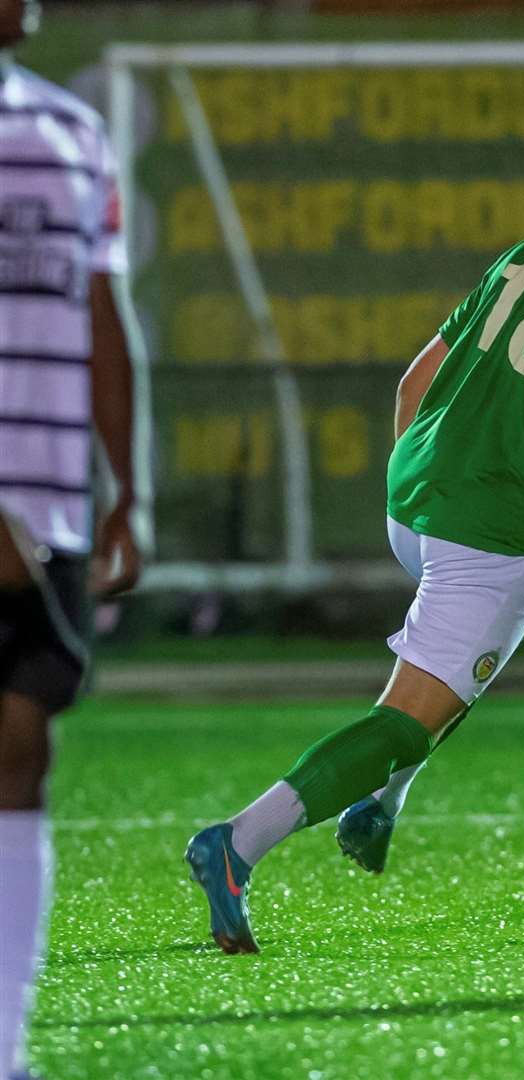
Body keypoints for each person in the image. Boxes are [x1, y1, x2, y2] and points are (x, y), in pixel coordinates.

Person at [184, 116, 524, 954]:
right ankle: (238, 844)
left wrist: (425, 479)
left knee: (458, 670)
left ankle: (382, 803)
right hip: (494, 529)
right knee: (415, 713)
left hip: (413, 496)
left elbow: (417, 380)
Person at [0, 0, 145, 1072]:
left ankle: (5, 1043)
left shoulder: (69, 128)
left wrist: (123, 486)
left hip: (46, 493)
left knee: (23, 741)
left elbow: (101, 308)